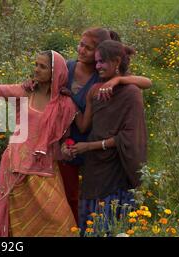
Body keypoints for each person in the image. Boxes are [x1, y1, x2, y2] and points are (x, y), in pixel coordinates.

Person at [24, 27, 152, 226]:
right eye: (81, 44)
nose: (81, 50)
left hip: (99, 151)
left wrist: (118, 79)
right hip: (72, 145)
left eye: (88, 48)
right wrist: (43, 89)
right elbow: (55, 93)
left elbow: (145, 82)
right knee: (70, 195)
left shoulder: (114, 84)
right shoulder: (75, 74)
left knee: (102, 200)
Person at [0, 48, 78, 236]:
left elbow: (63, 138)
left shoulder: (65, 104)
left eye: (42, 67)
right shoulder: (26, 92)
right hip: (15, 166)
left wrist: (66, 148)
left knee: (60, 221)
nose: (36, 69)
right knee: (14, 221)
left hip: (43, 169)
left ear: (56, 73)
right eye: (36, 64)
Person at [68, 40, 148, 235]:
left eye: (102, 62)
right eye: (96, 62)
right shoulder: (96, 90)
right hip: (95, 167)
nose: (97, 67)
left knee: (113, 219)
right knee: (90, 220)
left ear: (117, 61)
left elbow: (128, 137)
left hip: (117, 166)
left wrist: (89, 146)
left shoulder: (131, 93)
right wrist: (69, 100)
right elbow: (84, 125)